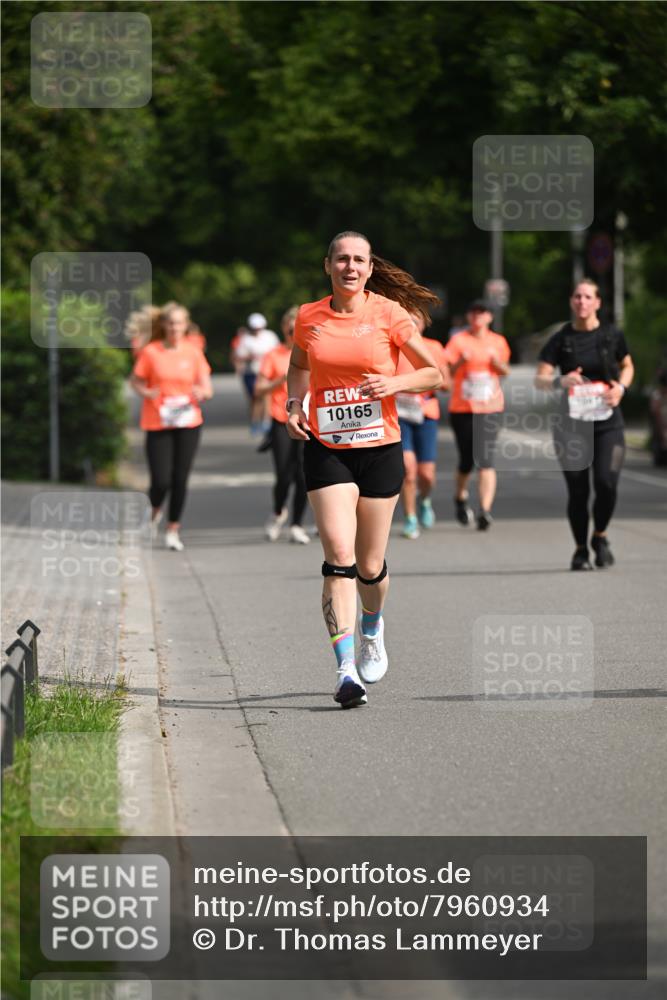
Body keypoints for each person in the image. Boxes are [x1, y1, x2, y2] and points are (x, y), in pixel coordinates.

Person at [286, 231, 441, 709]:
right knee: (338, 556)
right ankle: (346, 670)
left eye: (359, 260)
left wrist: (393, 383)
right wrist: (293, 403)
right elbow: (298, 364)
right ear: (327, 265)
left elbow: (434, 373)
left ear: (370, 269)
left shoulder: (389, 315)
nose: (350, 267)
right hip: (327, 445)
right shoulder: (309, 317)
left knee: (370, 566)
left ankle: (372, 628)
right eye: (342, 259)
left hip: (380, 447)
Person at [535, 278, 634, 570]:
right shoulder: (561, 339)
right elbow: (540, 379)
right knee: (579, 491)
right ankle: (580, 550)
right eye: (577, 296)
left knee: (606, 483)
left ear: (598, 302)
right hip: (571, 426)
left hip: (607, 422)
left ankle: (600, 536)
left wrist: (622, 389)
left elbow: (628, 365)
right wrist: (559, 380)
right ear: (571, 301)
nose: (582, 301)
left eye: (588, 297)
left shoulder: (611, 335)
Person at [130, 302, 212, 551]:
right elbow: (135, 381)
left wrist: (202, 392)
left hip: (188, 422)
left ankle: (173, 528)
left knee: (180, 478)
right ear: (164, 325)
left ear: (185, 325)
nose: (175, 327)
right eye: (171, 323)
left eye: (179, 323)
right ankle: (154, 511)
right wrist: (147, 391)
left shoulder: (194, 352)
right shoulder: (151, 352)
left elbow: (207, 387)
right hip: (158, 421)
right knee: (161, 480)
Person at [443, 299, 511, 530]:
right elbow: (446, 371)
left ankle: (485, 510)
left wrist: (495, 362)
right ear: (468, 317)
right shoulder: (458, 341)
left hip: (490, 408)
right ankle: (460, 497)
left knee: (485, 459)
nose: (477, 316)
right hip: (463, 408)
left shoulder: (498, 342)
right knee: (466, 461)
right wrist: (461, 360)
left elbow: (505, 370)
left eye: (482, 313)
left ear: (489, 317)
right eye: (473, 312)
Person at [254, 306, 310, 544]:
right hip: (281, 419)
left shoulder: (313, 352)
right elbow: (258, 389)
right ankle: (278, 511)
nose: (293, 333)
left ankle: (297, 524)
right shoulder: (273, 355)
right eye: (290, 329)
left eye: (297, 328)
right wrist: (280, 380)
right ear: (284, 329)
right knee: (284, 475)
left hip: (309, 420)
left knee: (304, 475)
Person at [395, 314, 450, 539]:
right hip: (400, 413)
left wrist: (419, 385)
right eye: (406, 320)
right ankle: (410, 518)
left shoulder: (434, 347)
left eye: (416, 321)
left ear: (425, 324)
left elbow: (446, 383)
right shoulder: (393, 346)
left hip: (426, 413)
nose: (412, 325)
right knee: (408, 469)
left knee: (426, 474)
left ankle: (424, 500)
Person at [233, 313, 279, 435]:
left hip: (267, 372)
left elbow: (278, 351)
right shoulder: (246, 339)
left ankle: (266, 422)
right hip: (251, 373)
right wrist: (250, 356)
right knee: (255, 398)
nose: (257, 330)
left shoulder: (270, 336)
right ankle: (255, 422)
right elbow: (238, 356)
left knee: (266, 397)